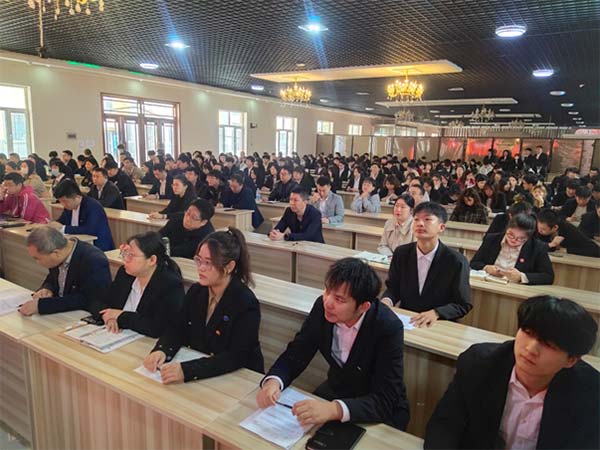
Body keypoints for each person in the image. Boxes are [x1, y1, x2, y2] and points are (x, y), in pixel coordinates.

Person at [424, 296, 599, 450]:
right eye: (528, 333)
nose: (531, 349)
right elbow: (444, 426)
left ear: (571, 360)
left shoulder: (591, 392)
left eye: (548, 345)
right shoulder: (479, 364)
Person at [256, 258, 410, 430]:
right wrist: (274, 381)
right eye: (327, 291)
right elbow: (298, 352)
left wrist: (335, 409)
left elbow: (385, 399)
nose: (328, 302)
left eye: (339, 299)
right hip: (338, 390)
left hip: (377, 407)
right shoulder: (322, 307)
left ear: (363, 307)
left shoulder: (387, 327)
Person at [142, 228, 264, 383]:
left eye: (208, 263)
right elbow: (177, 327)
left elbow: (235, 356)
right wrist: (162, 350)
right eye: (199, 260)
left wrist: (188, 371)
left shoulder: (245, 302)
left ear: (229, 267)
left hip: (239, 378)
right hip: (205, 369)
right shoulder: (197, 291)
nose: (201, 268)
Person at [381, 202, 471, 327]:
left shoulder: (456, 261)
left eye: (427, 219)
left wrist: (436, 313)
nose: (420, 224)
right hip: (408, 320)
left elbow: (463, 304)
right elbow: (393, 288)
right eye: (416, 219)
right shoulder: (401, 253)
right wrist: (387, 301)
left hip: (439, 324)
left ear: (441, 227)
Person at [90, 232, 185, 338]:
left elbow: (156, 327)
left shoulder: (170, 284)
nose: (125, 259)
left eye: (131, 255)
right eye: (125, 254)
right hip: (117, 337)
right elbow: (97, 301)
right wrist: (107, 317)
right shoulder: (125, 274)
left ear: (152, 260)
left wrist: (119, 315)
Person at [19, 226, 111, 316]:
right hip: (62, 313)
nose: (37, 262)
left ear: (56, 253)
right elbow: (52, 279)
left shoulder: (94, 260)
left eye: (37, 258)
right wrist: (47, 288)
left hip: (82, 315)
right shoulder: (58, 255)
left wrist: (42, 306)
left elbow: (88, 299)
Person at [471, 214, 554, 285]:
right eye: (510, 235)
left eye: (520, 238)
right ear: (507, 229)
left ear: (528, 237)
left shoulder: (537, 247)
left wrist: (521, 276)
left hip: (516, 288)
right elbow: (474, 263)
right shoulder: (492, 239)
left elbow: (548, 276)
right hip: (489, 283)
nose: (513, 240)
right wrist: (486, 268)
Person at [49, 179, 115, 251]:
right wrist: (55, 224)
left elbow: (90, 230)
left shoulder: (93, 206)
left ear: (77, 197)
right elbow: (61, 221)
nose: (63, 204)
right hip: (78, 244)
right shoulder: (68, 208)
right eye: (60, 201)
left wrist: (64, 228)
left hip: (98, 247)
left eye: (65, 201)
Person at [536, 209, 600, 257]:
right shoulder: (537, 229)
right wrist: (550, 245)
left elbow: (596, 251)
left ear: (555, 227)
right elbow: (533, 246)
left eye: (543, 229)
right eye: (538, 227)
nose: (539, 231)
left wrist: (567, 250)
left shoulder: (569, 231)